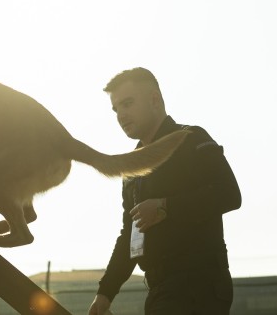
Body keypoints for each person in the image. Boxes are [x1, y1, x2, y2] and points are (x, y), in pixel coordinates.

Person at [88, 67, 242, 315]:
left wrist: (165, 206)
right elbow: (130, 233)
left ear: (155, 99)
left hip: (199, 285)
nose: (121, 115)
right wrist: (105, 292)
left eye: (128, 104)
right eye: (116, 109)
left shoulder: (190, 138)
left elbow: (229, 194)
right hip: (161, 290)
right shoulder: (131, 166)